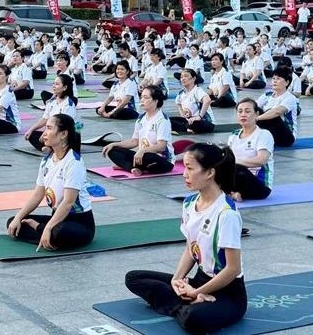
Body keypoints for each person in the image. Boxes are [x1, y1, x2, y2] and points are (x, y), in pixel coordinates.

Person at [125, 143, 246, 335]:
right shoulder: (189, 203)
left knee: (194, 319)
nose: (184, 173)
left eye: (190, 168)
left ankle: (185, 306)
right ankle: (187, 303)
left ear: (209, 173)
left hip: (227, 292)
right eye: (185, 167)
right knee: (134, 278)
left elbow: (233, 269)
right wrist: (177, 279)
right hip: (199, 280)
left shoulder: (226, 213)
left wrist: (195, 292)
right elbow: (191, 248)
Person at [7, 113, 95, 250]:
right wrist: (18, 217)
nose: (44, 133)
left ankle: (41, 231)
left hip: (79, 222)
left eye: (49, 128)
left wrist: (46, 228)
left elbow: (68, 202)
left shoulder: (73, 162)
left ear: (63, 134)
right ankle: (47, 237)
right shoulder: (47, 160)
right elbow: (37, 195)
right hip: (57, 219)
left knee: (58, 233)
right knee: (13, 222)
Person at [102, 85, 175, 175]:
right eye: (141, 97)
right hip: (141, 156)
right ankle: (134, 168)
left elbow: (161, 147)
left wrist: (142, 151)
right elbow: (134, 141)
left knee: (149, 158)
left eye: (146, 97)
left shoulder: (162, 120)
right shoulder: (141, 119)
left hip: (161, 159)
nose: (142, 100)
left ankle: (128, 166)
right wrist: (114, 144)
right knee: (113, 150)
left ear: (156, 101)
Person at [227, 98, 274, 201]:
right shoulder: (233, 136)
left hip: (260, 185)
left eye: (247, 111)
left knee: (236, 169)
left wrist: (234, 162)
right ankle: (233, 193)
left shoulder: (263, 134)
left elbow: (261, 160)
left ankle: (229, 193)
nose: (243, 114)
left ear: (256, 114)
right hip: (237, 177)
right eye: (240, 111)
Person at [25, 74, 81, 151]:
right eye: (53, 83)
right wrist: (31, 129)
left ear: (65, 87)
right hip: (54, 132)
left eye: (57, 84)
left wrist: (46, 132)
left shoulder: (69, 104)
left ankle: (51, 147)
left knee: (58, 134)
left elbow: (64, 125)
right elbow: (45, 119)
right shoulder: (51, 102)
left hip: (65, 133)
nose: (54, 86)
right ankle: (51, 147)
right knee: (32, 135)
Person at [256, 65, 298, 147]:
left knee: (271, 113)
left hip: (286, 136)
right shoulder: (267, 95)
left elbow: (277, 112)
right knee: (252, 108)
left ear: (286, 82)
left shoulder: (290, 98)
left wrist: (256, 118)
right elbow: (254, 105)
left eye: (278, 79)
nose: (274, 81)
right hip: (271, 131)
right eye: (273, 79)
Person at [170, 69, 216, 134]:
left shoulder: (197, 90)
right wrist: (182, 115)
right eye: (181, 77)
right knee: (167, 120)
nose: (183, 79)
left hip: (203, 121)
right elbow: (178, 103)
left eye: (186, 76)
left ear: (193, 78)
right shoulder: (181, 93)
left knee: (195, 124)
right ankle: (186, 128)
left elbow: (207, 100)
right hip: (189, 121)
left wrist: (199, 116)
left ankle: (184, 128)